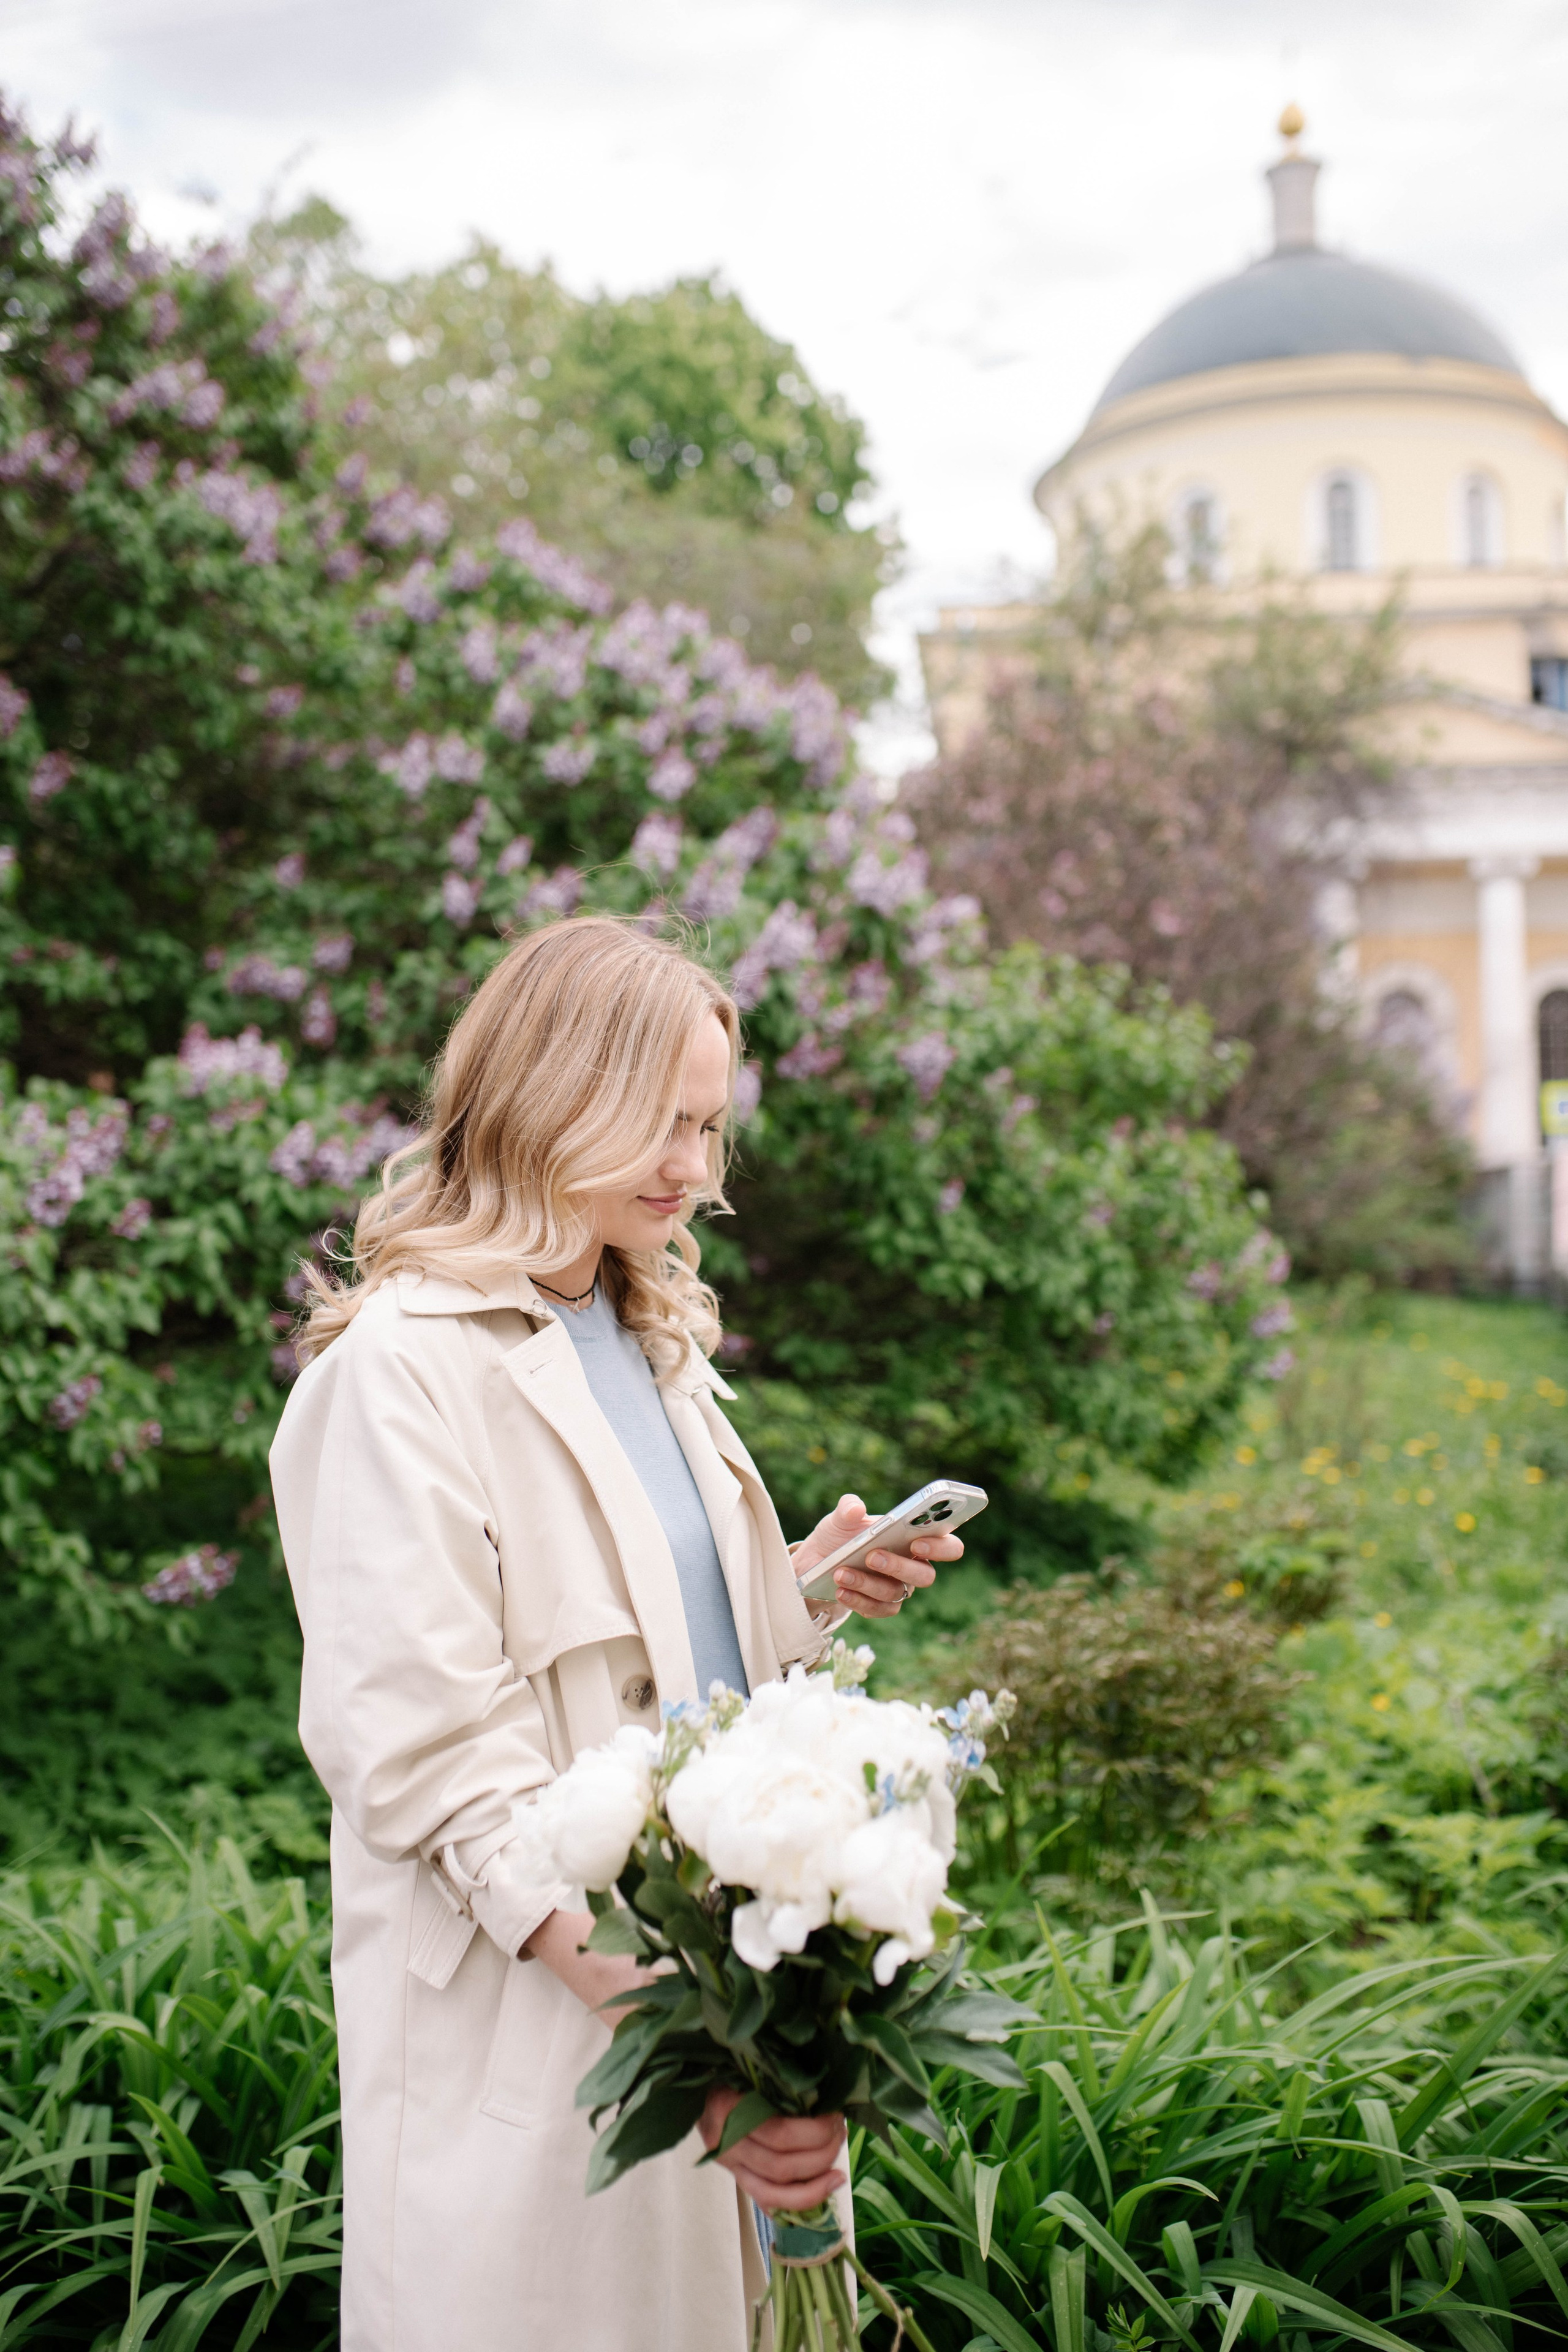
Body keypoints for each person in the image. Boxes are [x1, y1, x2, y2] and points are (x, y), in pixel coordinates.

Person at [270, 915, 965, 2352]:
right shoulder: (398, 1373)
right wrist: (689, 2060)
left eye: (711, 1130)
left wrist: (800, 1584)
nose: (696, 1171)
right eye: (663, 1124)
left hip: (729, 2010)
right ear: (546, 1094)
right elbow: (432, 1767)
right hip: (558, 2057)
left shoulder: (646, 1332)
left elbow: (666, 1666)